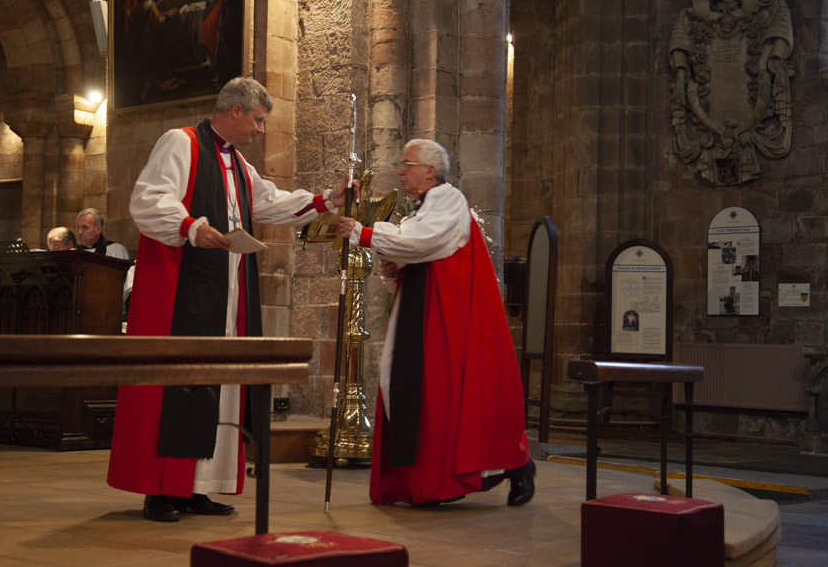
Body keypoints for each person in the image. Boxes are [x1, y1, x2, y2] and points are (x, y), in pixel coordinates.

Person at [107, 76, 352, 522]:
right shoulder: (180, 143)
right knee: (183, 383)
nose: (261, 130)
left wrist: (323, 201)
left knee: (222, 386)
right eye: (258, 120)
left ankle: (201, 486)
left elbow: (268, 202)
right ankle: (163, 490)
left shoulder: (237, 163)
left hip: (229, 291)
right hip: (188, 289)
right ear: (235, 110)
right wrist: (191, 227)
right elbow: (147, 200)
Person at [337, 138, 535, 508]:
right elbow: (419, 255)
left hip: (448, 319)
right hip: (426, 313)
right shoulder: (421, 208)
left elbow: (421, 242)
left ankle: (506, 468)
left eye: (407, 164)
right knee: (420, 395)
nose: (400, 170)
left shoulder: (447, 198)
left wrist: (362, 232)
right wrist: (393, 268)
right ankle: (421, 482)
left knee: (439, 397)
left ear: (430, 171)